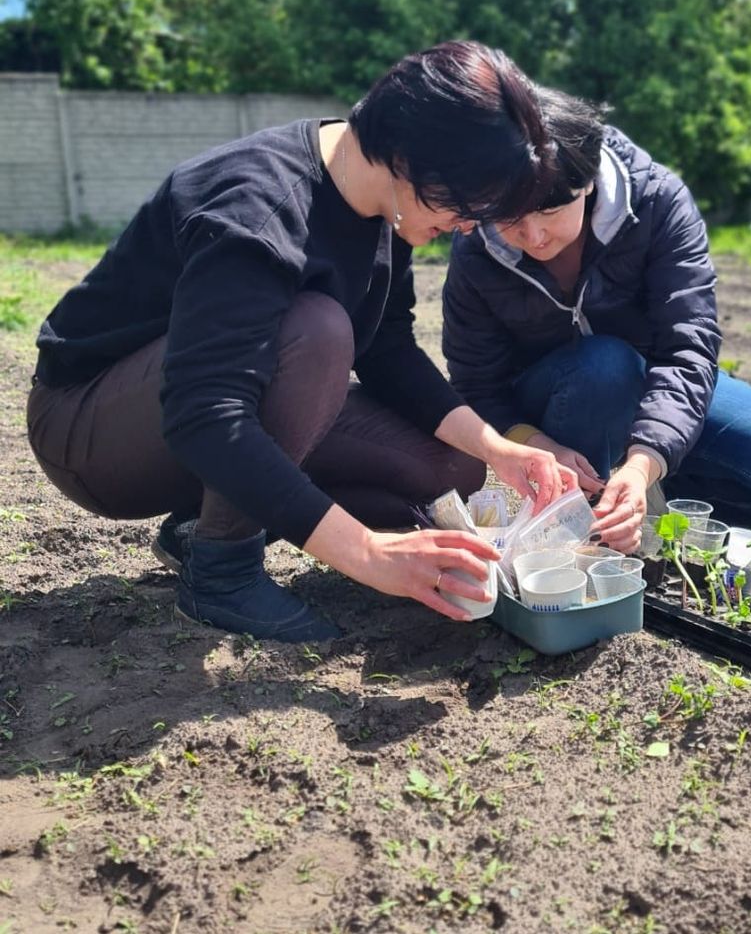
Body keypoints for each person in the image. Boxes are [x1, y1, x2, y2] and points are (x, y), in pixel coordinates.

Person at [26, 41, 579, 643]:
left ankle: (197, 523)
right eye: (468, 204)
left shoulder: (387, 201)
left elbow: (388, 349)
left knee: (452, 470)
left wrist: (499, 449)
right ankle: (222, 569)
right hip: (94, 430)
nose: (470, 224)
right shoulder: (259, 212)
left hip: (211, 405)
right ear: (406, 158)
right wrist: (368, 554)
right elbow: (204, 414)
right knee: (315, 330)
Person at [442, 87, 751, 556]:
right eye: (510, 219)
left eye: (551, 211)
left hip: (652, 386)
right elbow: (477, 382)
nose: (532, 236)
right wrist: (534, 443)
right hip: (550, 403)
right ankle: (563, 532)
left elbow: (687, 347)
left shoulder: (657, 202)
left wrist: (642, 465)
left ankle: (647, 511)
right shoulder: (478, 247)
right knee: (604, 366)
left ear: (588, 182)